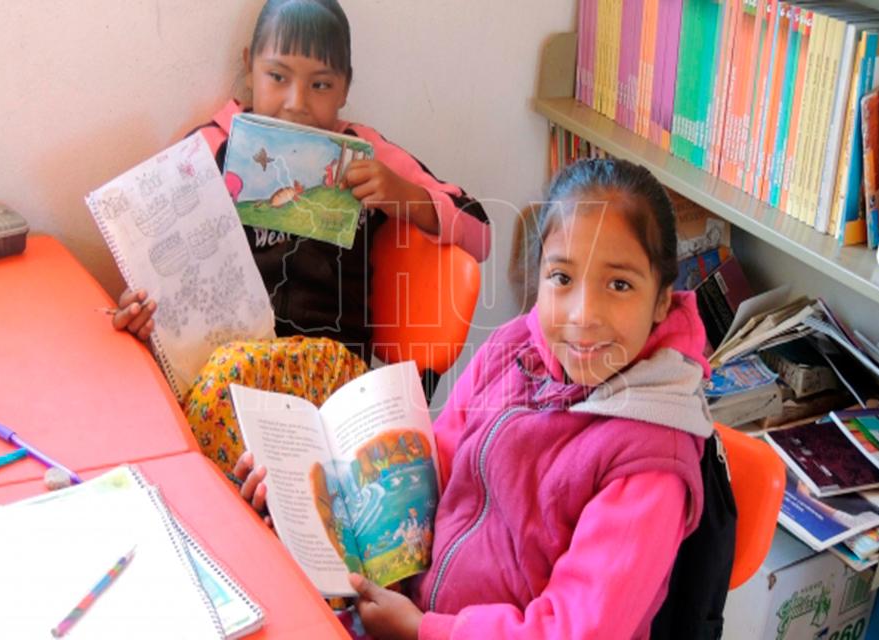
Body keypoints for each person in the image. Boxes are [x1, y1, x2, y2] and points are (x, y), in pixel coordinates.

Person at [240, 157, 717, 639]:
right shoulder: (514, 348)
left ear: (662, 299)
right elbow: (434, 471)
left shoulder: (651, 460)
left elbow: (576, 630)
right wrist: (314, 511)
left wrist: (425, 631)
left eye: (619, 284)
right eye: (562, 278)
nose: (583, 314)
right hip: (409, 610)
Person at [112, 0, 491, 475]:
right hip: (227, 373)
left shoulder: (365, 153)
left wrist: (405, 197)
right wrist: (144, 308)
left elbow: (480, 232)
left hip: (332, 378)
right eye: (277, 76)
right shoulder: (212, 148)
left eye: (320, 85)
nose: (296, 102)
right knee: (167, 407)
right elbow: (153, 259)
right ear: (249, 67)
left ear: (345, 87)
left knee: (229, 394)